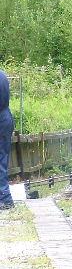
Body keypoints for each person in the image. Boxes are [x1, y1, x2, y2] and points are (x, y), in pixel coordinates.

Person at [0, 69, 14, 209]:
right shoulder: (2, 75)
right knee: (2, 159)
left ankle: (5, 199)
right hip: (5, 117)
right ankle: (5, 198)